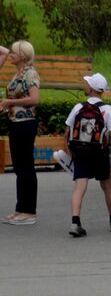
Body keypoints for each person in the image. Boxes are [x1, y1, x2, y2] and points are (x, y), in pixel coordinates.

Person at [63, 72, 111, 238]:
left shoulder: (78, 107)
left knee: (79, 187)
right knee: (107, 186)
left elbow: (67, 133)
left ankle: (75, 222)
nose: (85, 85)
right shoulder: (108, 110)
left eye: (86, 83)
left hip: (81, 152)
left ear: (91, 88)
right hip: (100, 153)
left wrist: (70, 152)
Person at [0, 41, 40, 227]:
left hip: (26, 124)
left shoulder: (31, 74)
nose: (12, 55)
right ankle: (20, 208)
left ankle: (29, 211)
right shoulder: (19, 74)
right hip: (16, 123)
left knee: (25, 167)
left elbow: (34, 99)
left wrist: (8, 102)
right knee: (19, 167)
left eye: (15, 52)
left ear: (23, 55)